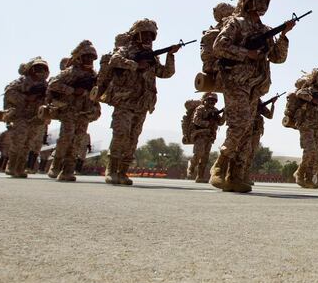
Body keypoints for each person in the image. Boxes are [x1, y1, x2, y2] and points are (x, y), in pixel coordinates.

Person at [211, 0, 292, 192]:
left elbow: (278, 58)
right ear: (247, 2)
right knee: (239, 125)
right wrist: (247, 53)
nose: (261, 6)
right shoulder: (235, 23)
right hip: (236, 81)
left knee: (247, 130)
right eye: (257, 1)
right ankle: (219, 167)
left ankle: (236, 176)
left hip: (255, 85)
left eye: (264, 1)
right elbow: (219, 46)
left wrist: (283, 36)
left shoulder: (265, 30)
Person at [102, 19, 179, 185]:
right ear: (136, 35)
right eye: (145, 34)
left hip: (142, 103)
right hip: (125, 100)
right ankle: (112, 169)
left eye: (151, 36)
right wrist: (135, 65)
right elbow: (114, 60)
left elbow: (165, 73)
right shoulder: (126, 50)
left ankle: (122, 172)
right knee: (121, 133)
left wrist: (170, 55)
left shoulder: (153, 57)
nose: (148, 39)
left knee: (133, 138)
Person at [45, 40, 101, 181]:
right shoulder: (71, 72)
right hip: (69, 110)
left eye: (91, 57)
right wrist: (72, 90)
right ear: (79, 58)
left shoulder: (95, 76)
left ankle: (68, 170)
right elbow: (53, 84)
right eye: (86, 57)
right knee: (66, 138)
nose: (89, 60)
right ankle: (56, 164)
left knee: (78, 141)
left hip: (84, 112)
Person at [2, 57, 50, 178]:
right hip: (21, 115)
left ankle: (20, 168)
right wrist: (26, 97)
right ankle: (11, 165)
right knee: (18, 141)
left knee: (28, 143)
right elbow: (9, 93)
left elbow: (50, 98)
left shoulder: (45, 84)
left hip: (36, 117)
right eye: (38, 68)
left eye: (43, 68)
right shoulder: (22, 81)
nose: (41, 71)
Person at [189, 92, 225, 184]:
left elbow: (220, 122)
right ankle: (191, 165)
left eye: (214, 100)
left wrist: (224, 114)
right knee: (198, 154)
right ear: (205, 100)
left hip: (209, 137)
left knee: (205, 157)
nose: (212, 102)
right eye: (210, 100)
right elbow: (196, 120)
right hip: (200, 135)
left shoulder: (215, 110)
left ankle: (200, 176)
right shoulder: (200, 109)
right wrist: (207, 123)